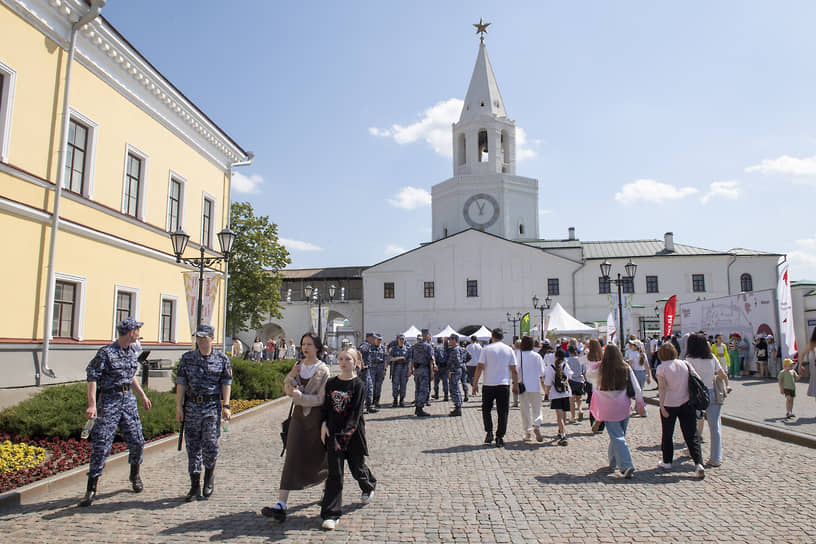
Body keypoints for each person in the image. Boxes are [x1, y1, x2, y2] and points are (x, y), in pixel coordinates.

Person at [79, 317, 152, 507]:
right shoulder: (106, 353)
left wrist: (142, 395)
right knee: (101, 444)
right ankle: (91, 488)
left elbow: (131, 377)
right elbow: (92, 378)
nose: (139, 333)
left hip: (128, 401)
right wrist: (92, 404)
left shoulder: (131, 352)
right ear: (130, 333)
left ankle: (134, 474)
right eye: (137, 330)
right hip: (109, 402)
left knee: (137, 440)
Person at [262, 332, 330, 522]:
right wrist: (290, 381)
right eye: (303, 344)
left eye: (309, 344)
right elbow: (288, 385)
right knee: (291, 456)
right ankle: (281, 504)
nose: (305, 348)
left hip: (315, 419)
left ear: (317, 347)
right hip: (298, 419)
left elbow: (321, 399)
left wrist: (300, 397)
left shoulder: (323, 370)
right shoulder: (298, 366)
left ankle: (327, 490)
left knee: (320, 457)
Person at [319, 347, 376, 530]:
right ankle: (331, 514)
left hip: (352, 434)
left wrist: (344, 437)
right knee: (335, 474)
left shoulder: (358, 385)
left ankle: (368, 485)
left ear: (356, 362)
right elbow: (325, 407)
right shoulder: (331, 383)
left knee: (357, 467)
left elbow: (355, 415)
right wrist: (323, 424)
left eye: (348, 359)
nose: (344, 362)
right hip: (333, 433)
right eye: (341, 359)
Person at [176, 324, 232, 501]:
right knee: (192, 446)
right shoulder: (187, 358)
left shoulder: (222, 359)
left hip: (211, 407)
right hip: (192, 406)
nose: (200, 340)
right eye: (197, 337)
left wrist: (227, 405)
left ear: (211, 338)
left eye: (203, 337)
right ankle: (194, 485)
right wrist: (178, 406)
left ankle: (209, 476)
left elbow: (226, 383)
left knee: (210, 444)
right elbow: (181, 382)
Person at [586, 344, 645, 478]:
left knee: (617, 436)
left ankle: (616, 462)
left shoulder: (600, 369)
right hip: (623, 406)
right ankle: (625, 465)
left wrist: (596, 365)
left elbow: (589, 378)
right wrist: (640, 403)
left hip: (607, 408)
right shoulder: (625, 367)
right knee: (619, 436)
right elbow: (636, 386)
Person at [655, 342, 705, 479]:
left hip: (670, 403)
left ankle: (667, 461)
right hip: (687, 402)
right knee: (691, 434)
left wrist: (661, 406)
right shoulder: (685, 364)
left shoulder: (661, 368)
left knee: (667, 433)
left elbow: (662, 388)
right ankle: (698, 463)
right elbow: (697, 379)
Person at [471, 328, 519, 447]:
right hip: (504, 384)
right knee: (503, 412)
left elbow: (479, 367)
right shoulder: (509, 350)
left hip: (488, 384)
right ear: (502, 337)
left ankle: (489, 432)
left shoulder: (486, 349)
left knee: (486, 409)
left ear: (492, 336)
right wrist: (516, 384)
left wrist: (475, 383)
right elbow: (514, 370)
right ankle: (500, 437)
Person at [686, 333, 727, 468]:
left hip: (697, 394)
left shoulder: (690, 359)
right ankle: (716, 457)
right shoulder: (712, 357)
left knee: (693, 424)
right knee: (715, 427)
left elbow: (689, 377)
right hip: (712, 392)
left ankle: (693, 450)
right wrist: (726, 385)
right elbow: (722, 374)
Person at [516, 336, 546, 441]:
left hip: (522, 386)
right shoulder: (537, 356)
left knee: (524, 410)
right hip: (535, 385)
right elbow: (542, 372)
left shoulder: (518, 355)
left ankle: (527, 432)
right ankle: (537, 425)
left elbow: (516, 370)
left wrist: (515, 382)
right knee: (537, 409)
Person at [543, 347, 573, 446]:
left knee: (559, 415)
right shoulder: (566, 365)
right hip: (566, 392)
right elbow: (569, 377)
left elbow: (547, 383)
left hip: (556, 393)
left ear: (555, 356)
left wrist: (546, 393)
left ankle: (563, 434)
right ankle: (561, 431)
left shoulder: (551, 367)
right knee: (564, 414)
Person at [410, 329, 435, 417]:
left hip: (417, 370)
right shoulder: (428, 346)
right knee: (424, 390)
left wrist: (411, 369)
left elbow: (411, 358)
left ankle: (417, 407)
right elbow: (431, 360)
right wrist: (432, 372)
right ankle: (419, 408)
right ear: (427, 335)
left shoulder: (415, 345)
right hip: (424, 369)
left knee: (417, 389)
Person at [445, 334, 471, 417]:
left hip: (455, 371)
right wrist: (463, 363)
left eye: (450, 340)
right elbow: (468, 357)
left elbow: (456, 361)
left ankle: (458, 407)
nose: (449, 341)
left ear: (455, 340)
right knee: (455, 388)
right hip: (459, 370)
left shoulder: (455, 350)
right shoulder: (460, 348)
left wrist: (452, 370)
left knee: (454, 388)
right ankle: (457, 406)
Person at [584, 339, 605, 434]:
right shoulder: (603, 356)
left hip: (590, 382)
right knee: (602, 404)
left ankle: (593, 421)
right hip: (601, 383)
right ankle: (601, 425)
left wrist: (584, 349)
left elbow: (578, 361)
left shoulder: (588, 357)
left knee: (592, 404)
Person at [565, 345, 586, 423]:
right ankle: (580, 410)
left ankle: (573, 417)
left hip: (571, 380)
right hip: (580, 380)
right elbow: (584, 371)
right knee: (579, 398)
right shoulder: (580, 360)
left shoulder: (567, 360)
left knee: (572, 400)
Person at [388, 334, 410, 407]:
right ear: (397, 340)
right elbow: (390, 358)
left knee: (403, 385)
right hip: (396, 368)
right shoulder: (394, 349)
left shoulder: (407, 349)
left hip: (404, 368)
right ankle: (395, 399)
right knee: (395, 384)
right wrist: (399, 358)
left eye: (403, 339)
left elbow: (410, 360)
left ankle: (402, 400)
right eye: (400, 339)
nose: (402, 341)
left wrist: (410, 370)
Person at [357, 333, 377, 413]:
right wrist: (362, 364)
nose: (374, 340)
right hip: (364, 370)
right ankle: (361, 408)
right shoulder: (365, 345)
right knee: (365, 388)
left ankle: (369, 406)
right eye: (373, 338)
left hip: (367, 369)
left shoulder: (368, 345)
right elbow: (358, 352)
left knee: (369, 388)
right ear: (369, 338)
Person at [370, 333, 387, 409]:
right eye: (378, 339)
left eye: (380, 340)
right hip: (372, 367)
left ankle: (377, 401)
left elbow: (385, 359)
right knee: (372, 384)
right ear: (375, 339)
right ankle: (371, 401)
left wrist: (385, 369)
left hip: (380, 367)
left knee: (378, 385)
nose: (379, 341)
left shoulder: (383, 348)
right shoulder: (370, 347)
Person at [433, 337, 449, 402]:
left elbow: (434, 357)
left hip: (438, 366)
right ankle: (446, 395)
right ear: (442, 341)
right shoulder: (446, 348)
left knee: (436, 382)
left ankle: (436, 394)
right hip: (445, 367)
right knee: (445, 382)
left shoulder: (435, 348)